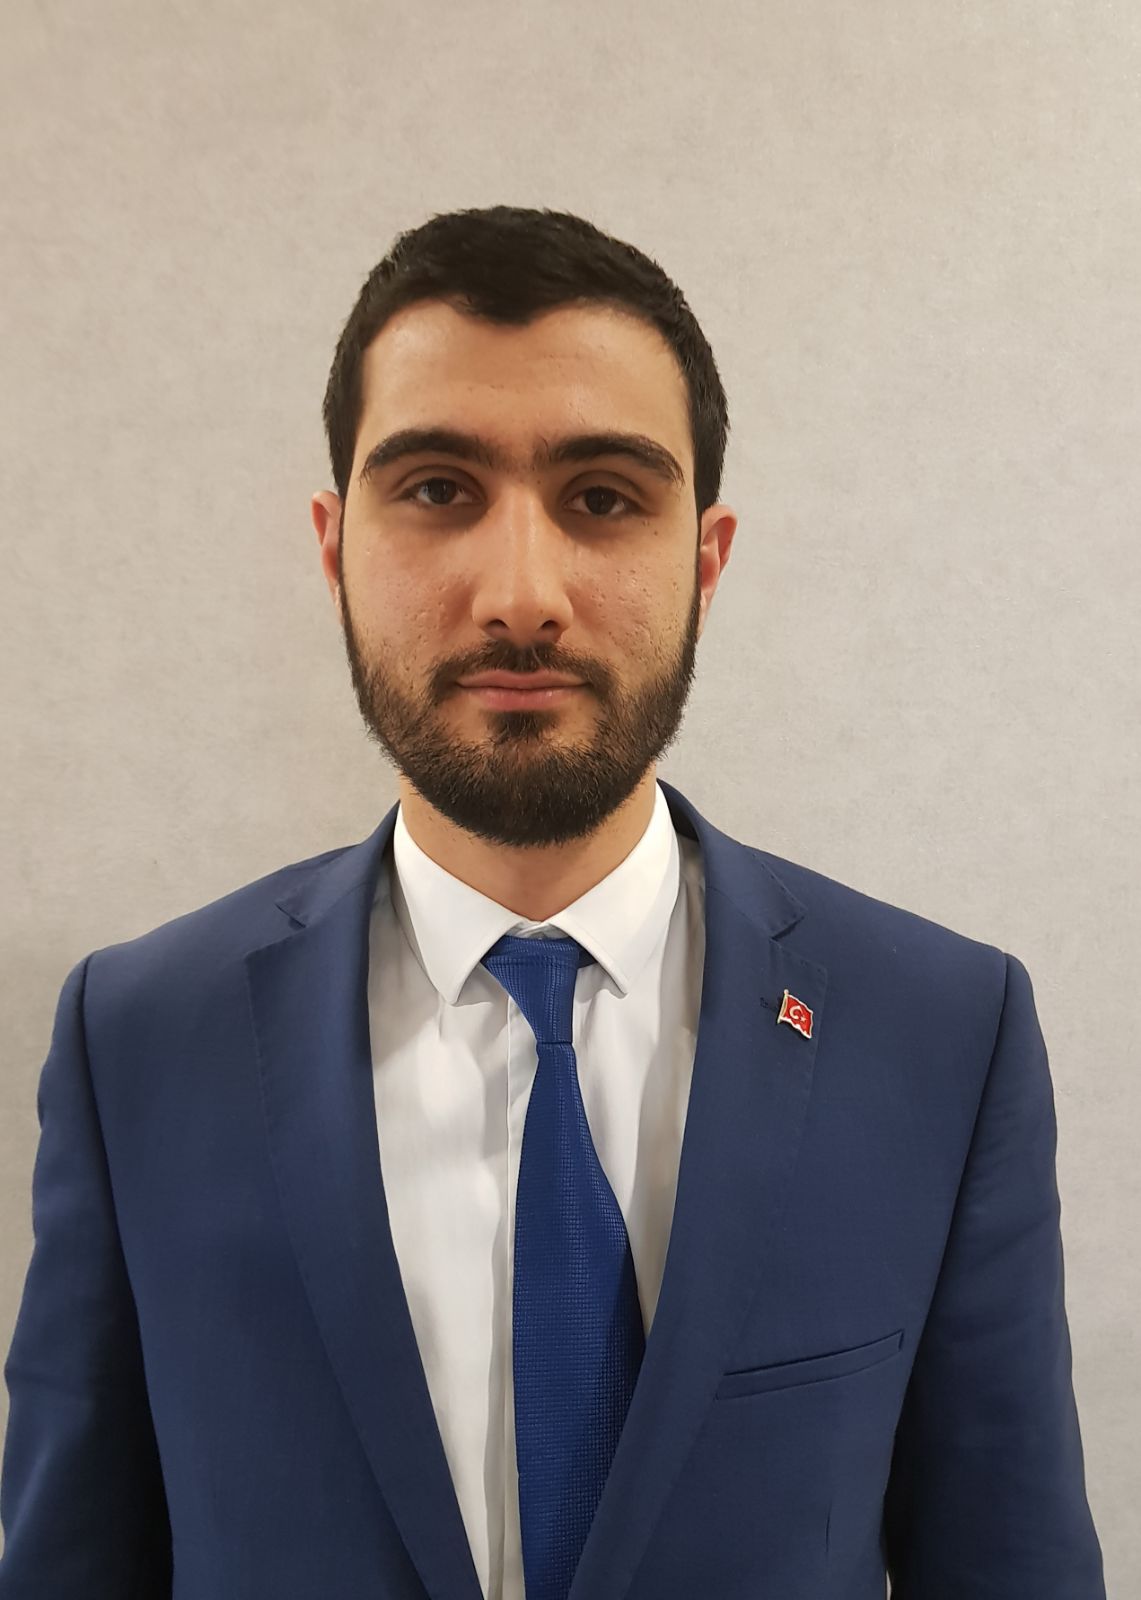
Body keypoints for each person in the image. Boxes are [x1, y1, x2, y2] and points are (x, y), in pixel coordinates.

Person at [0, 205, 1105, 1600]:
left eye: (602, 499)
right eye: (437, 489)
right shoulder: (141, 1039)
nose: (520, 597)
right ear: (334, 547)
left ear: (705, 558)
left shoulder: (938, 1034)